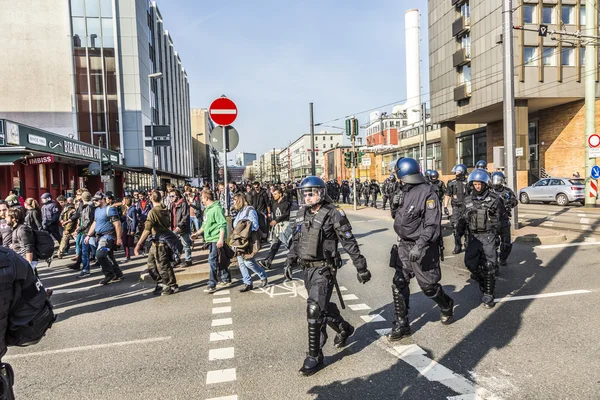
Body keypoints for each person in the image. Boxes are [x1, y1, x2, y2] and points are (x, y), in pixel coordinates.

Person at [285, 176, 371, 376]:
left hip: (324, 269)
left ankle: (315, 356)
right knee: (322, 307)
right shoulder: (300, 213)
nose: (307, 197)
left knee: (314, 308)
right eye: (304, 193)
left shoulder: (334, 213)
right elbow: (295, 242)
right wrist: (289, 261)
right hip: (306, 269)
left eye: (311, 193)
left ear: (320, 193)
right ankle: (344, 328)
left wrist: (361, 267)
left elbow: (349, 241)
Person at [388, 158, 454, 342]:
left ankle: (446, 304)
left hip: (423, 246)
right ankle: (402, 323)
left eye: (398, 174)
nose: (396, 178)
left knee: (428, 287)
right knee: (399, 281)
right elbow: (400, 217)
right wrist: (394, 206)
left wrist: (420, 245)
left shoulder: (428, 193)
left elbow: (432, 225)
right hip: (404, 244)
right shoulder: (402, 190)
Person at [461, 169, 506, 309]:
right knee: (470, 263)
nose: (477, 186)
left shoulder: (495, 199)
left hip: (488, 236)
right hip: (473, 237)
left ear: (485, 184)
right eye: (475, 184)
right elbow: (463, 219)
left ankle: (488, 294)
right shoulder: (467, 200)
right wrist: (458, 232)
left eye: (480, 184)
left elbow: (502, 219)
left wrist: (501, 237)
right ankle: (483, 281)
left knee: (489, 265)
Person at [135, 191, 179, 296]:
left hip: (160, 241)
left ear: (151, 199)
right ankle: (163, 283)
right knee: (153, 264)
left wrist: (138, 244)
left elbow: (147, 229)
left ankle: (168, 285)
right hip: (159, 240)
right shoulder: (165, 209)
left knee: (162, 265)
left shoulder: (153, 212)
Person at [191, 189, 229, 293]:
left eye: (202, 198)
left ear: (206, 198)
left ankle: (212, 284)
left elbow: (222, 224)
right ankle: (226, 278)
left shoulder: (216, 209)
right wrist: (197, 233)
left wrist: (221, 239)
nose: (201, 201)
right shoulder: (208, 210)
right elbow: (205, 225)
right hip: (211, 238)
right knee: (219, 259)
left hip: (215, 238)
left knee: (212, 260)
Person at [230, 193, 268, 292]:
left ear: (240, 200)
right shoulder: (240, 212)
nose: (234, 203)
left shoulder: (249, 210)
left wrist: (244, 230)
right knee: (241, 263)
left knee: (248, 262)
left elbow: (255, 225)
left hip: (247, 240)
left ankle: (262, 275)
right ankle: (247, 283)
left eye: (235, 200)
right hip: (239, 241)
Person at [84, 192, 123, 285]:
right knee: (108, 255)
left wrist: (118, 238)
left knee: (100, 254)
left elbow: (117, 224)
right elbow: (95, 223)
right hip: (99, 237)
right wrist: (88, 235)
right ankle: (117, 273)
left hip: (107, 237)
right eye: (94, 200)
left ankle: (109, 274)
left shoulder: (110, 209)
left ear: (103, 199)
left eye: (97, 200)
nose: (95, 202)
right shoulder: (97, 210)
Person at [258, 187, 290, 270]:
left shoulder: (286, 203)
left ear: (280, 194)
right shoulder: (274, 203)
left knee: (289, 244)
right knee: (274, 245)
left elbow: (286, 214)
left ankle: (297, 258)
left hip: (284, 227)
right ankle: (268, 261)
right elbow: (273, 214)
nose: (274, 196)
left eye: (275, 194)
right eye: (273, 194)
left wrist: (276, 220)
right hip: (276, 227)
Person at [490, 171, 518, 267]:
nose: (496, 182)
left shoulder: (507, 191)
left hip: (504, 219)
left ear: (502, 181)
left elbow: (515, 200)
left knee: (506, 242)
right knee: (492, 242)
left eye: (498, 180)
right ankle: (493, 260)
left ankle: (503, 258)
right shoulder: (489, 191)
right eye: (494, 180)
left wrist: (510, 203)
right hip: (492, 220)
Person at [444, 164, 469, 254]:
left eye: (458, 171)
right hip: (456, 208)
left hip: (467, 208)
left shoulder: (469, 182)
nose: (456, 173)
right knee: (455, 227)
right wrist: (445, 207)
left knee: (468, 227)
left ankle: (468, 244)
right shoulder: (451, 182)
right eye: (456, 172)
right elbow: (447, 195)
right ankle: (457, 246)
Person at [74, 192, 96, 277]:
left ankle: (86, 269)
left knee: (87, 252)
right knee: (91, 251)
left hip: (88, 232)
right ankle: (86, 269)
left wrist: (78, 229)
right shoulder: (92, 206)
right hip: (89, 232)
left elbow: (87, 221)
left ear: (83, 199)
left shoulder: (87, 207)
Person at [169, 189, 193, 266]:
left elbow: (185, 216)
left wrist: (180, 226)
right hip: (174, 227)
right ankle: (177, 259)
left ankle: (188, 260)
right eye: (170, 196)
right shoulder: (172, 204)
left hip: (182, 228)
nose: (171, 197)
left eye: (172, 196)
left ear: (177, 195)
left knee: (185, 244)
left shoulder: (183, 203)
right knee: (174, 244)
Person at [121, 196, 136, 262]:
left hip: (130, 228)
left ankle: (141, 247)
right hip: (125, 227)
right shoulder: (125, 209)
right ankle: (127, 256)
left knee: (130, 243)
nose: (122, 201)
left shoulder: (132, 209)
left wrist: (133, 229)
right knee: (124, 242)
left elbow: (134, 220)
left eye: (123, 200)